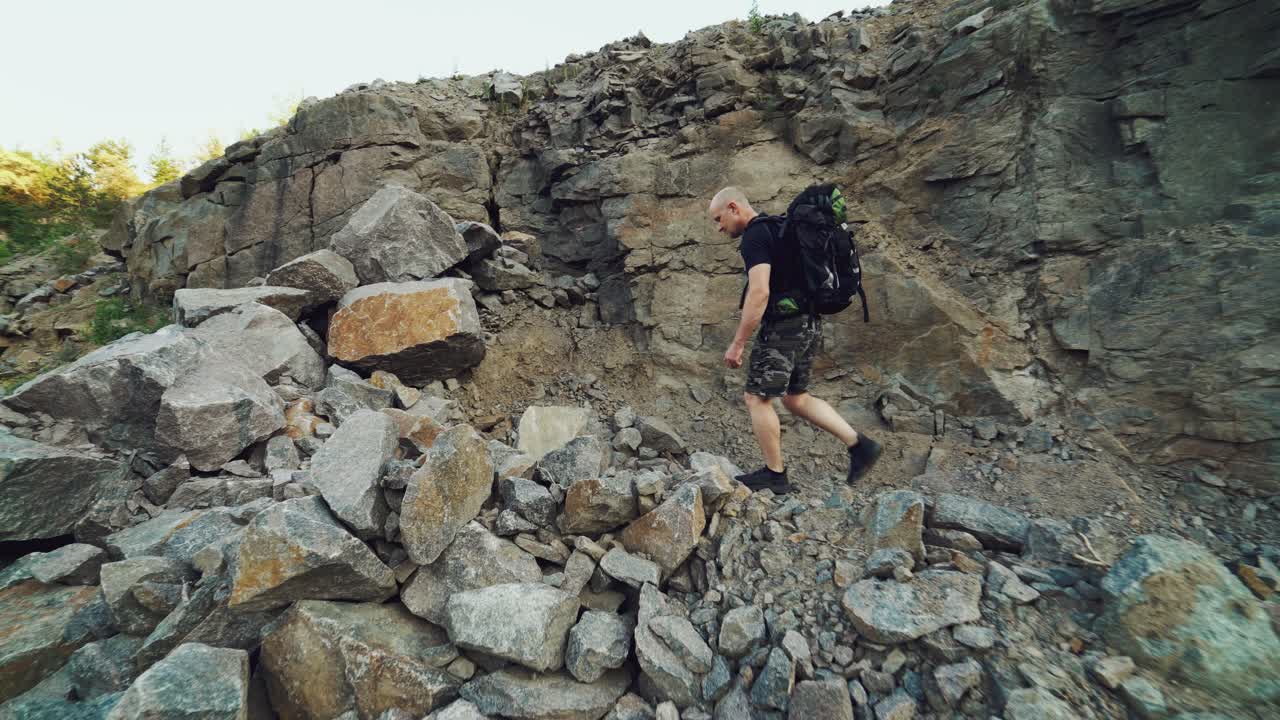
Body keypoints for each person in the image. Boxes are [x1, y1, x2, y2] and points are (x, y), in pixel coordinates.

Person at [709, 186, 882, 494]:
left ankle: (775, 475)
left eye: (718, 218)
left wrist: (738, 342)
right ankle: (860, 445)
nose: (718, 227)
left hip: (785, 326)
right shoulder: (780, 227)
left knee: (756, 397)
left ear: (734, 207)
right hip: (810, 322)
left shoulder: (755, 237)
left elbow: (759, 292)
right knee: (795, 397)